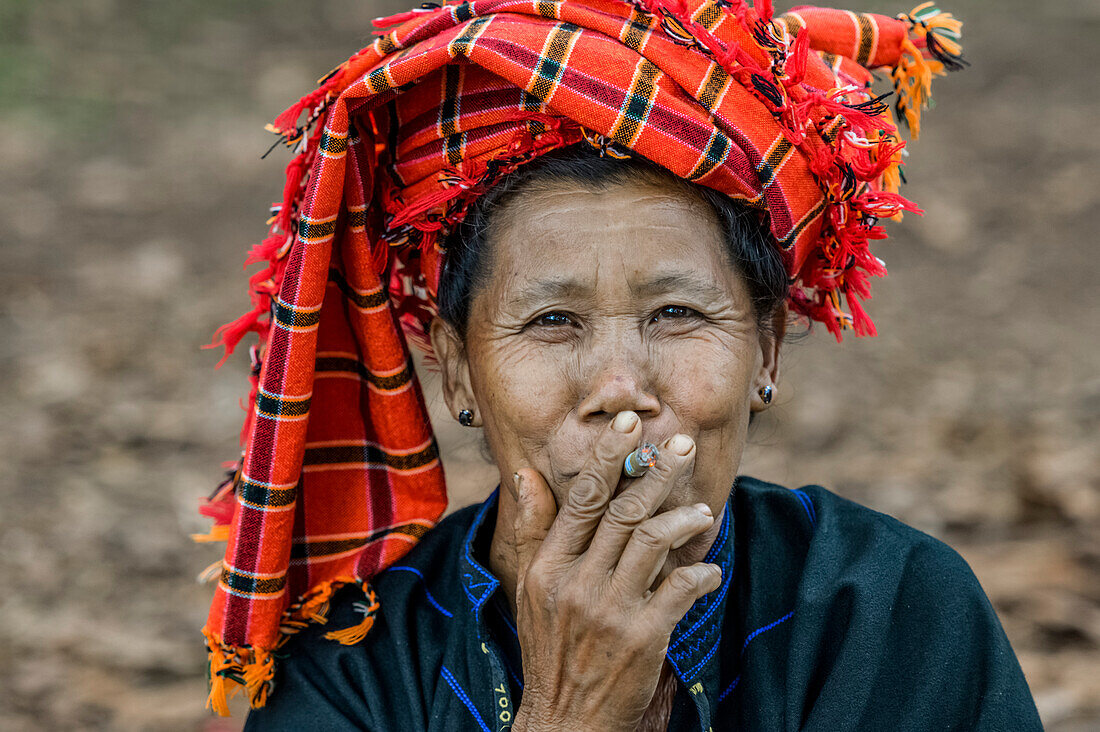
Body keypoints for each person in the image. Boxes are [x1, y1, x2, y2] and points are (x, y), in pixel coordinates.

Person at [197, 0, 1042, 729]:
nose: (617, 393)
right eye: (552, 320)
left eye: (676, 314)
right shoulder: (357, 670)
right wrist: (572, 715)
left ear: (766, 350)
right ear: (458, 372)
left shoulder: (887, 613)